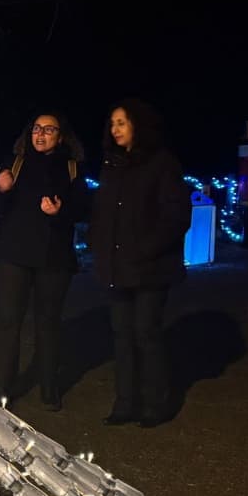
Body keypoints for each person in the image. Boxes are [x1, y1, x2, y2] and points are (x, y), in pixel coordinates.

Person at [90, 99, 192, 427]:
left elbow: (176, 215)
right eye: (112, 123)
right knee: (121, 334)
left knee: (146, 333)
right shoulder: (112, 164)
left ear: (138, 125)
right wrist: (98, 244)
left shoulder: (162, 163)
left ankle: (155, 404)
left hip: (150, 267)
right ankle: (125, 403)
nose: (115, 129)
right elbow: (103, 213)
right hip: (117, 267)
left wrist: (146, 248)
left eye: (121, 122)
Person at [0, 111, 86, 410]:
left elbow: (83, 209)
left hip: (54, 258)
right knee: (8, 322)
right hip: (13, 255)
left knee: (48, 324)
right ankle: (2, 389)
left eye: (49, 130)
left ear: (61, 136)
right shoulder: (14, 163)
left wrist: (60, 211)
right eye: (36, 129)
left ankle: (49, 387)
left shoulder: (71, 168)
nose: (40, 135)